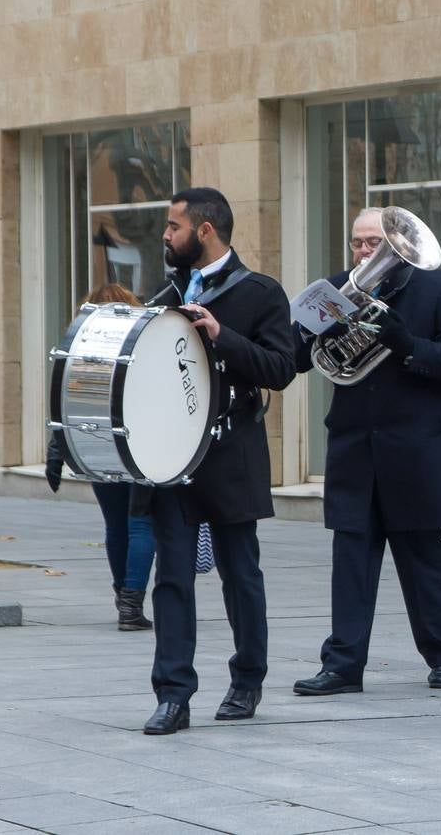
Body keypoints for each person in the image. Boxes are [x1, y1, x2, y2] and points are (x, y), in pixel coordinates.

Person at [293, 207, 441, 699]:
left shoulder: (439, 289)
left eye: (375, 243)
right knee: (350, 557)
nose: (365, 252)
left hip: (415, 450)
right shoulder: (334, 289)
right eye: (358, 243)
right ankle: (343, 665)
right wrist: (316, 331)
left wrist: (404, 343)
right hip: (354, 448)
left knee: (423, 558)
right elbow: (294, 358)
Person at [141, 187, 297, 734]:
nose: (167, 235)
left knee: (240, 576)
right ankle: (173, 695)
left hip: (231, 455)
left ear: (204, 230)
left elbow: (281, 368)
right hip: (173, 460)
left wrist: (220, 333)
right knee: (173, 579)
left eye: (173, 226)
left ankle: (247, 679)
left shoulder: (260, 292)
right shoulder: (164, 293)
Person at [45, 282, 157, 631]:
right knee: (141, 523)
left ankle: (123, 600)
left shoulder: (84, 352)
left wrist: (56, 451)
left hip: (95, 446)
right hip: (141, 446)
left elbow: (66, 404)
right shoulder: (144, 345)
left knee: (115, 526)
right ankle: (131, 606)